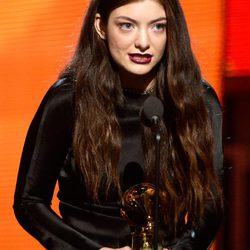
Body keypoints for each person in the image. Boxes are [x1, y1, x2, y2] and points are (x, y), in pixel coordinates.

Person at [13, 0, 224, 249]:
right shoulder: (69, 99)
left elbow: (210, 205)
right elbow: (30, 201)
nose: (143, 42)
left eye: (157, 27)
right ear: (101, 26)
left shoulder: (198, 102)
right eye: (127, 26)